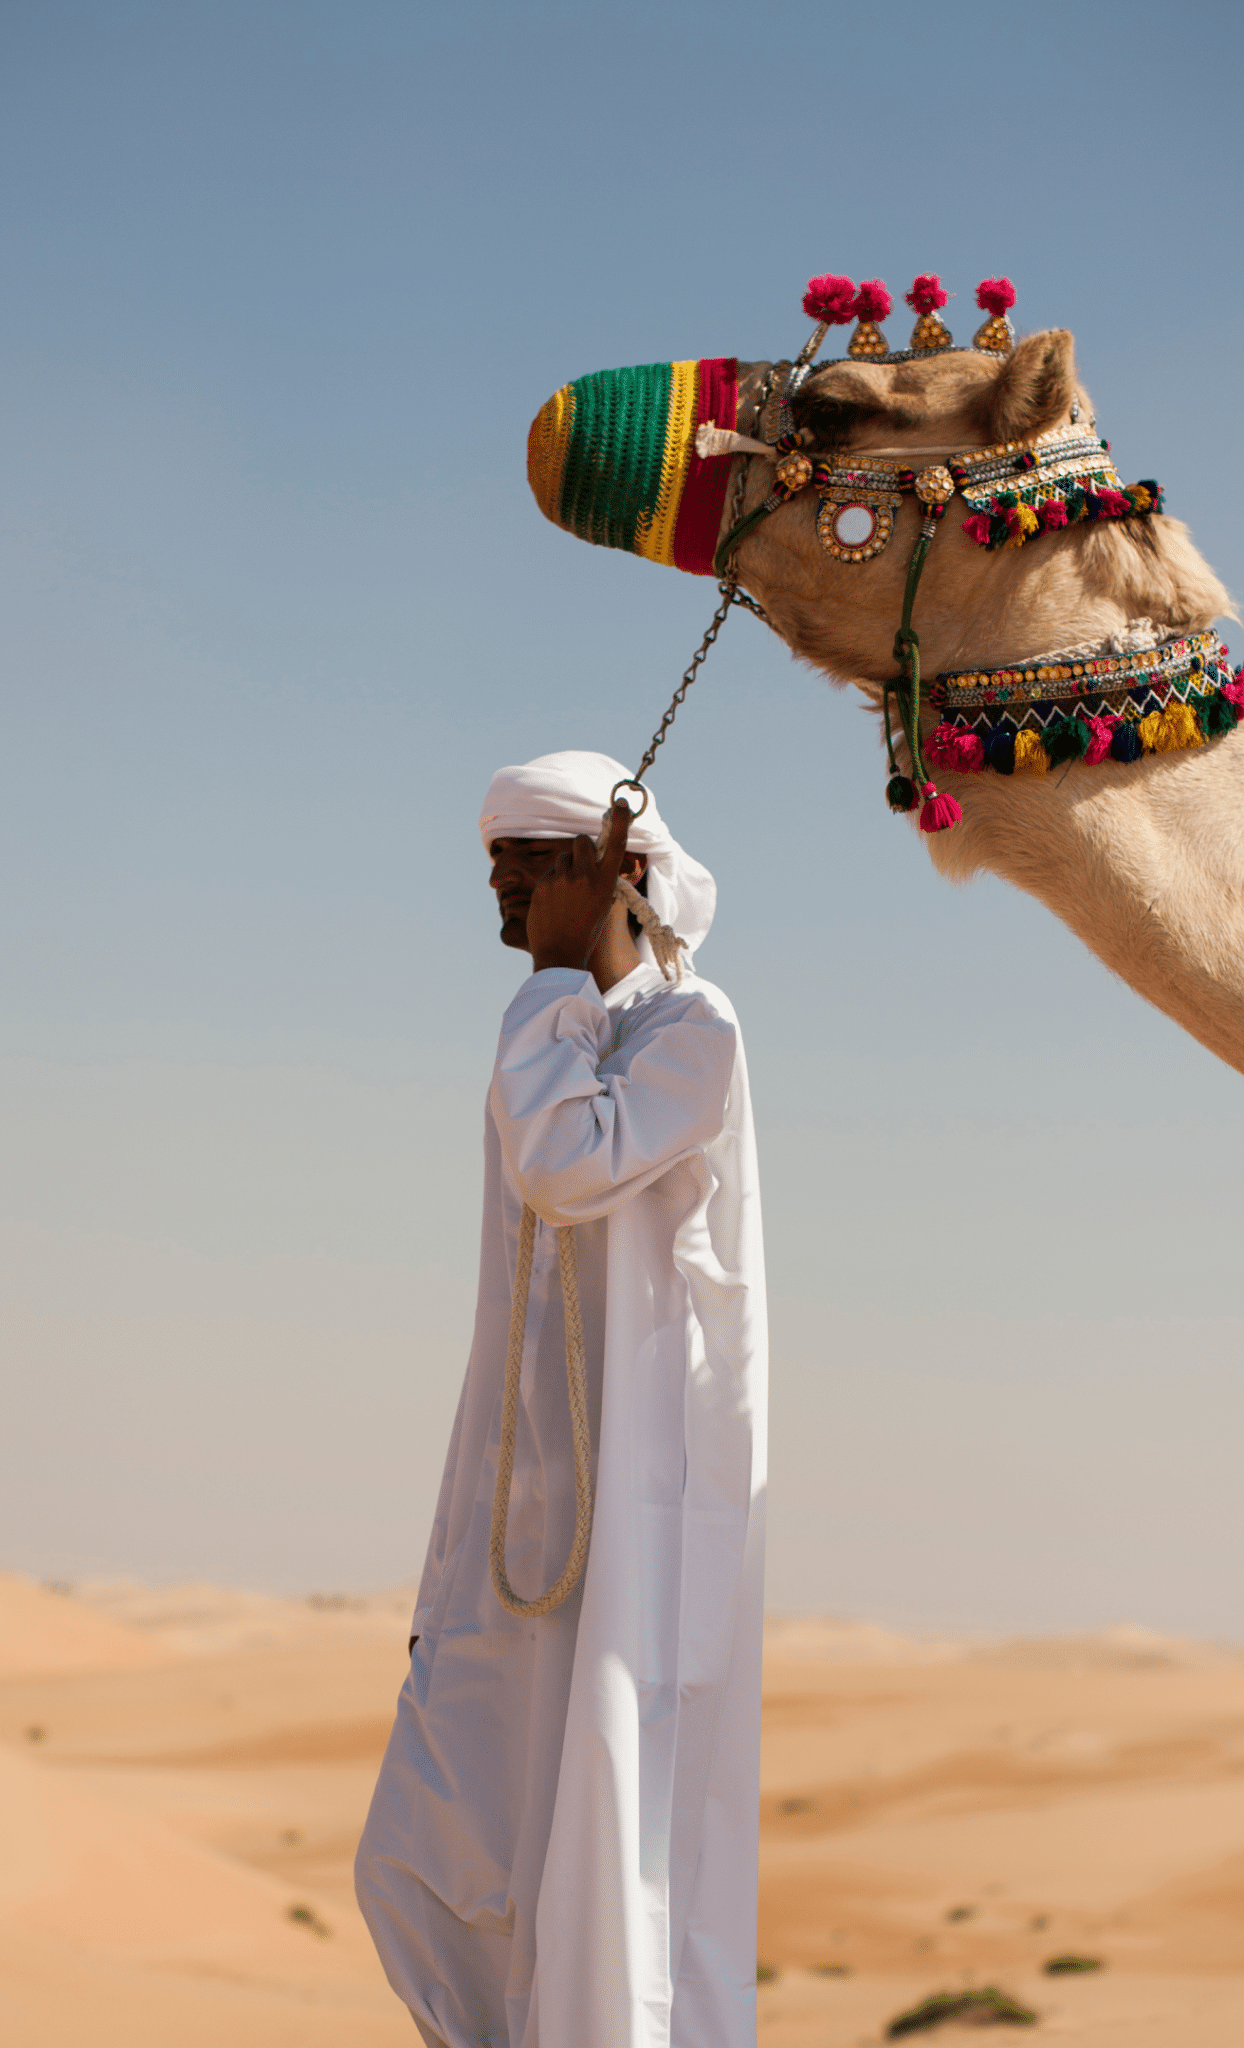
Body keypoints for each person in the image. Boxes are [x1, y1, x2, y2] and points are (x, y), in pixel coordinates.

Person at [355, 750, 768, 2048]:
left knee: (605, 1861)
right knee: (427, 1848)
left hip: (636, 1540)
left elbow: (564, 1166)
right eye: (495, 867)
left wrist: (554, 972)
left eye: (529, 868)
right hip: (521, 1534)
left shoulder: (693, 1034)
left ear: (615, 874)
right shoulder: (564, 1031)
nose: (501, 895)